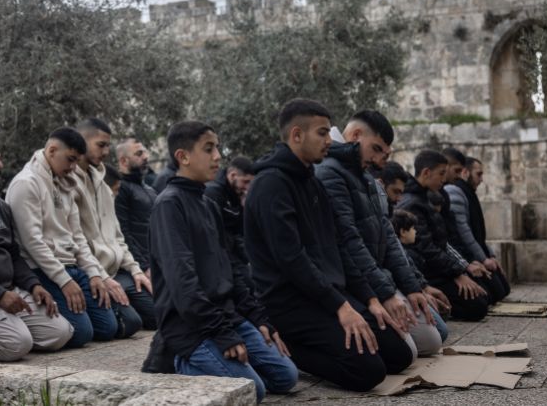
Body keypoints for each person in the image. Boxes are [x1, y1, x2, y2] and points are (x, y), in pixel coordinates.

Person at [245, 99, 413, 393]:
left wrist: (370, 298)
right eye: (322, 133)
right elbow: (292, 260)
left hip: (327, 292)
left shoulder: (313, 183)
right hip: (290, 302)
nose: (329, 141)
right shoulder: (270, 185)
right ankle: (289, 349)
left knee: (397, 353)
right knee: (368, 372)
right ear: (297, 135)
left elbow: (340, 246)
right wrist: (341, 307)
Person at [150, 120, 298, 403]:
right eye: (209, 148)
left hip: (226, 316)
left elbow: (231, 268)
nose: (218, 155)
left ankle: (224, 364)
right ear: (183, 156)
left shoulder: (209, 205)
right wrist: (222, 336)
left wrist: (257, 318)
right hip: (190, 326)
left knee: (286, 376)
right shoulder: (169, 205)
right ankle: (179, 362)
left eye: (217, 147)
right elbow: (183, 284)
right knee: (254, 391)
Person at [316, 110, 442, 358]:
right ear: (355, 135)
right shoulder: (331, 173)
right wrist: (382, 295)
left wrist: (412, 286)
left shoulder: (363, 174)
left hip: (378, 278)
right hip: (356, 284)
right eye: (375, 149)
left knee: (435, 336)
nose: (378, 159)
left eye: (382, 153)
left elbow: (388, 234)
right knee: (412, 350)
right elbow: (350, 242)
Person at [0, 136, 74, 361]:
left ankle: (4, 328)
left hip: (10, 290)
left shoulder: (0, 206)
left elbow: (13, 255)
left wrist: (34, 285)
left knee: (61, 333)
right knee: (17, 344)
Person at [5, 127, 113, 348]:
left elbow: (78, 237)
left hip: (72, 267)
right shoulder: (26, 183)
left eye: (76, 162)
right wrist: (64, 281)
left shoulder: (66, 182)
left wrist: (94, 273)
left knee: (108, 327)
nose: (73, 167)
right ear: (52, 150)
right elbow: (32, 242)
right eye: (70, 160)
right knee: (82, 334)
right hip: (42, 270)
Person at [74, 120, 155, 335]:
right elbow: (78, 242)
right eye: (101, 145)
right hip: (93, 273)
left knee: (161, 313)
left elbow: (118, 236)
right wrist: (102, 277)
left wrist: (137, 270)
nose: (106, 151)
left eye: (108, 146)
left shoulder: (103, 184)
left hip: (118, 270)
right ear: (82, 142)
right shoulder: (69, 183)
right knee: (128, 324)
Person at [398, 150, 489, 321]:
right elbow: (427, 248)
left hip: (440, 267)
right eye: (441, 173)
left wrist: (461, 268)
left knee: (483, 292)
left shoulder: (426, 198)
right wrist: (456, 273)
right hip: (428, 272)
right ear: (426, 172)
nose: (443, 179)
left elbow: (443, 242)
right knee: (477, 306)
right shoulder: (413, 204)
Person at [443, 150, 510, 304]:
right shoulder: (454, 191)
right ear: (466, 172)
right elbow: (463, 233)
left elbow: (477, 233)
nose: (481, 179)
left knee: (502, 288)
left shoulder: (467, 192)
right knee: (487, 297)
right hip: (461, 256)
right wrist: (477, 260)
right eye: (478, 174)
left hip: (465, 255)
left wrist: (489, 256)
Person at [204, 156, 256, 290]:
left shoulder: (237, 194)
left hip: (234, 252)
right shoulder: (213, 193)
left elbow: (240, 229)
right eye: (245, 182)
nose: (247, 188)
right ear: (233, 176)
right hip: (222, 257)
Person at [115, 137, 157, 276]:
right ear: (123, 161)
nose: (146, 157)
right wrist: (143, 267)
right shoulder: (120, 189)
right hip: (141, 269)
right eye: (139, 154)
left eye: (145, 152)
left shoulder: (150, 189)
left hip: (158, 264)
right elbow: (122, 232)